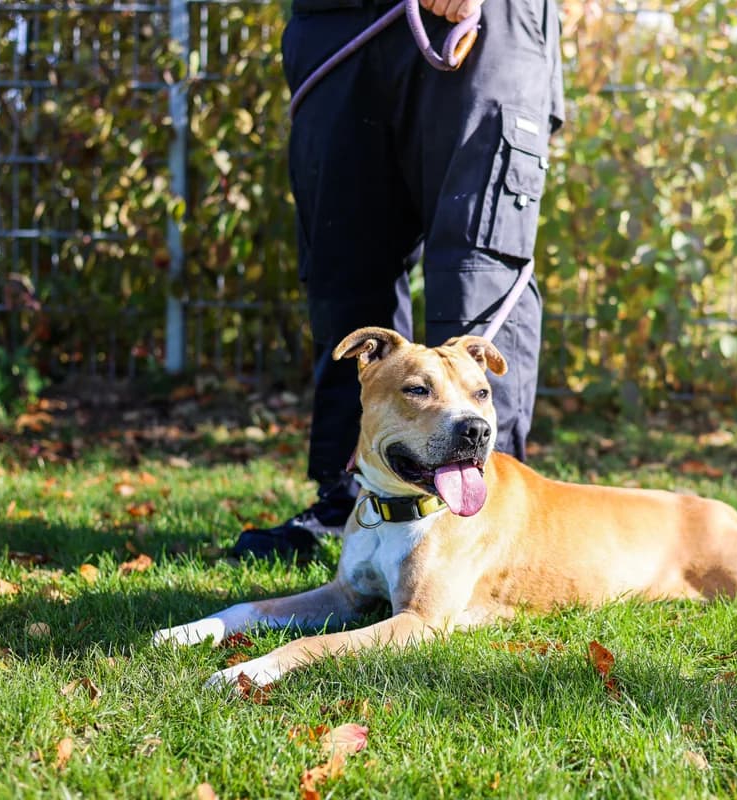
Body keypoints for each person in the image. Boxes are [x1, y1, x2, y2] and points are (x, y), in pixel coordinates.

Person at [231, 0, 565, 559]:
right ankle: (351, 502)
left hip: (487, 24)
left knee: (476, 272)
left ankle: (482, 522)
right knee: (345, 272)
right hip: (337, 22)